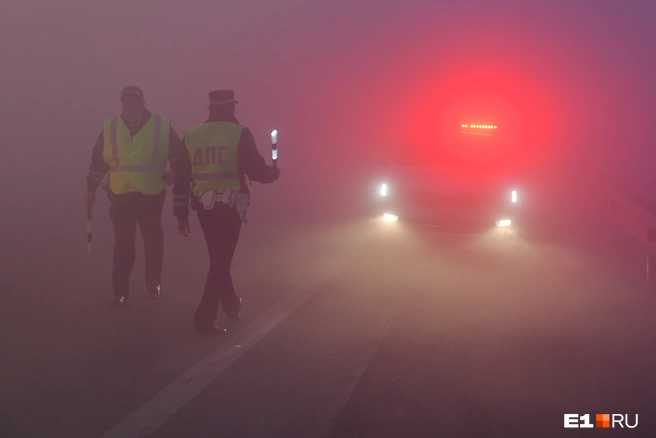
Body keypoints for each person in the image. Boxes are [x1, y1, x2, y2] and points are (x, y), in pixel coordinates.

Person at [172, 89, 280, 336]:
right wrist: (272, 174)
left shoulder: (192, 134)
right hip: (230, 207)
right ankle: (203, 318)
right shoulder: (238, 133)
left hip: (202, 208)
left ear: (210, 108)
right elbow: (256, 171)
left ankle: (231, 305)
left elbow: (181, 178)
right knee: (220, 262)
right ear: (232, 107)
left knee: (218, 260)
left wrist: (180, 214)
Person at [83, 86, 187, 307]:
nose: (130, 105)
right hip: (121, 195)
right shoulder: (110, 128)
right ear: (121, 103)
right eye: (126, 101)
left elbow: (180, 156)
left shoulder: (161, 126)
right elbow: (98, 162)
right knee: (123, 243)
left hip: (151, 193)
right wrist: (90, 189)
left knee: (153, 241)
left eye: (135, 101)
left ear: (143, 102)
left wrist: (173, 173)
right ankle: (120, 292)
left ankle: (153, 283)